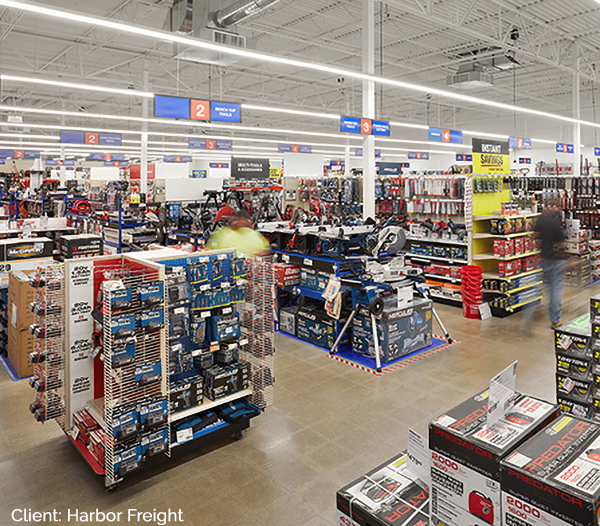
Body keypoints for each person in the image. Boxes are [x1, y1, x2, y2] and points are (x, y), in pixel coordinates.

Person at [533, 206, 566, 329]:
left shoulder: (540, 220)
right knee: (557, 290)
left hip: (545, 259)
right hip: (557, 259)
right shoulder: (556, 223)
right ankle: (555, 320)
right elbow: (562, 244)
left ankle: (551, 311)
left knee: (550, 288)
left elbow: (534, 235)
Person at [207, 209, 271, 257]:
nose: (249, 222)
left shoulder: (252, 233)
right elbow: (208, 251)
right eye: (247, 220)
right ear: (237, 220)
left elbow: (266, 249)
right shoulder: (223, 234)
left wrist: (261, 253)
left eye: (250, 220)